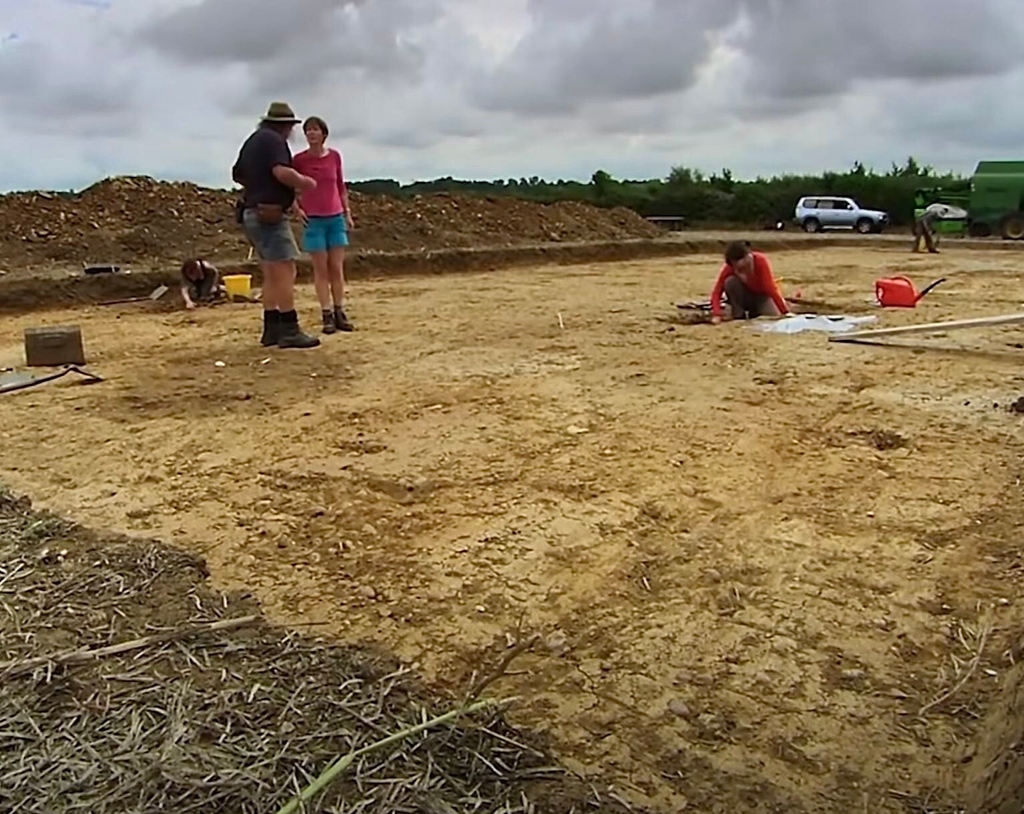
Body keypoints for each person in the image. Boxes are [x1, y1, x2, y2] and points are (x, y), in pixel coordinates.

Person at [231, 101, 320, 349]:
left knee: (271, 272)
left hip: (252, 212)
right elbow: (281, 172)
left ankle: (271, 329)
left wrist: (258, 186)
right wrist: (304, 182)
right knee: (285, 271)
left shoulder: (253, 141)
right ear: (285, 126)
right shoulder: (274, 141)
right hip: (268, 214)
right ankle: (289, 328)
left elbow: (237, 174)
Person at [293, 116, 355, 334]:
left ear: (324, 134)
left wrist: (347, 213)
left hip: (335, 217)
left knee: (336, 267)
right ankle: (326, 314)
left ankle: (339, 311)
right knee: (321, 269)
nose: (311, 133)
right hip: (313, 220)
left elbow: (340, 186)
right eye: (308, 130)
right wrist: (297, 208)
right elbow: (289, 186)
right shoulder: (299, 160)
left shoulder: (334, 156)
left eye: (315, 129)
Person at [709, 241, 790, 324]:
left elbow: (770, 288)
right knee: (730, 282)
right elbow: (717, 291)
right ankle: (739, 314)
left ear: (746, 257)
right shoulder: (730, 267)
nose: (736, 267)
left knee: (771, 315)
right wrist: (716, 314)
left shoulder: (760, 261)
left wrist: (784, 311)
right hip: (743, 296)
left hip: (761, 297)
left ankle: (755, 312)